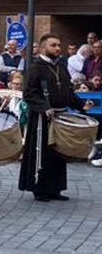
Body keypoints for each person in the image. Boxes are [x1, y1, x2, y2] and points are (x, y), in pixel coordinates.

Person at [19, 34, 93, 202]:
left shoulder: (61, 66)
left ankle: (55, 188)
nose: (58, 48)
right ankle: (39, 189)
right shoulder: (35, 67)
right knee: (42, 153)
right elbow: (29, 94)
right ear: (44, 47)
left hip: (60, 116)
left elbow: (68, 91)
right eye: (53, 45)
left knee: (58, 153)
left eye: (59, 45)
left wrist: (81, 105)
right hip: (41, 118)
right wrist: (45, 108)